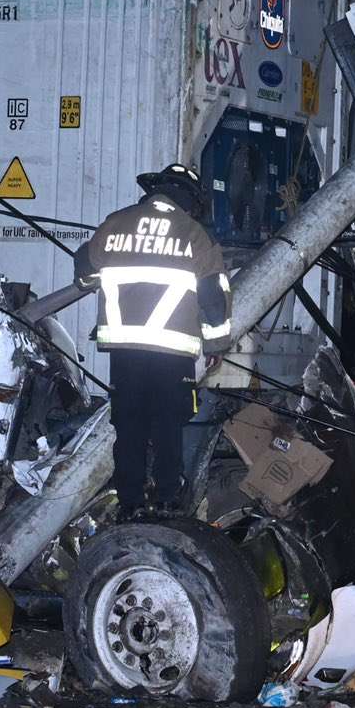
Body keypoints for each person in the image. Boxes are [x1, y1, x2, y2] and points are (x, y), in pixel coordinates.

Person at [74, 164, 232, 517]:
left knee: (128, 426)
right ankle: (165, 499)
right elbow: (213, 297)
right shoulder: (194, 234)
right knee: (167, 425)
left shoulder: (115, 223)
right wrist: (216, 346)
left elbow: (85, 272)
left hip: (125, 352)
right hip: (171, 354)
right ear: (189, 199)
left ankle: (129, 502)